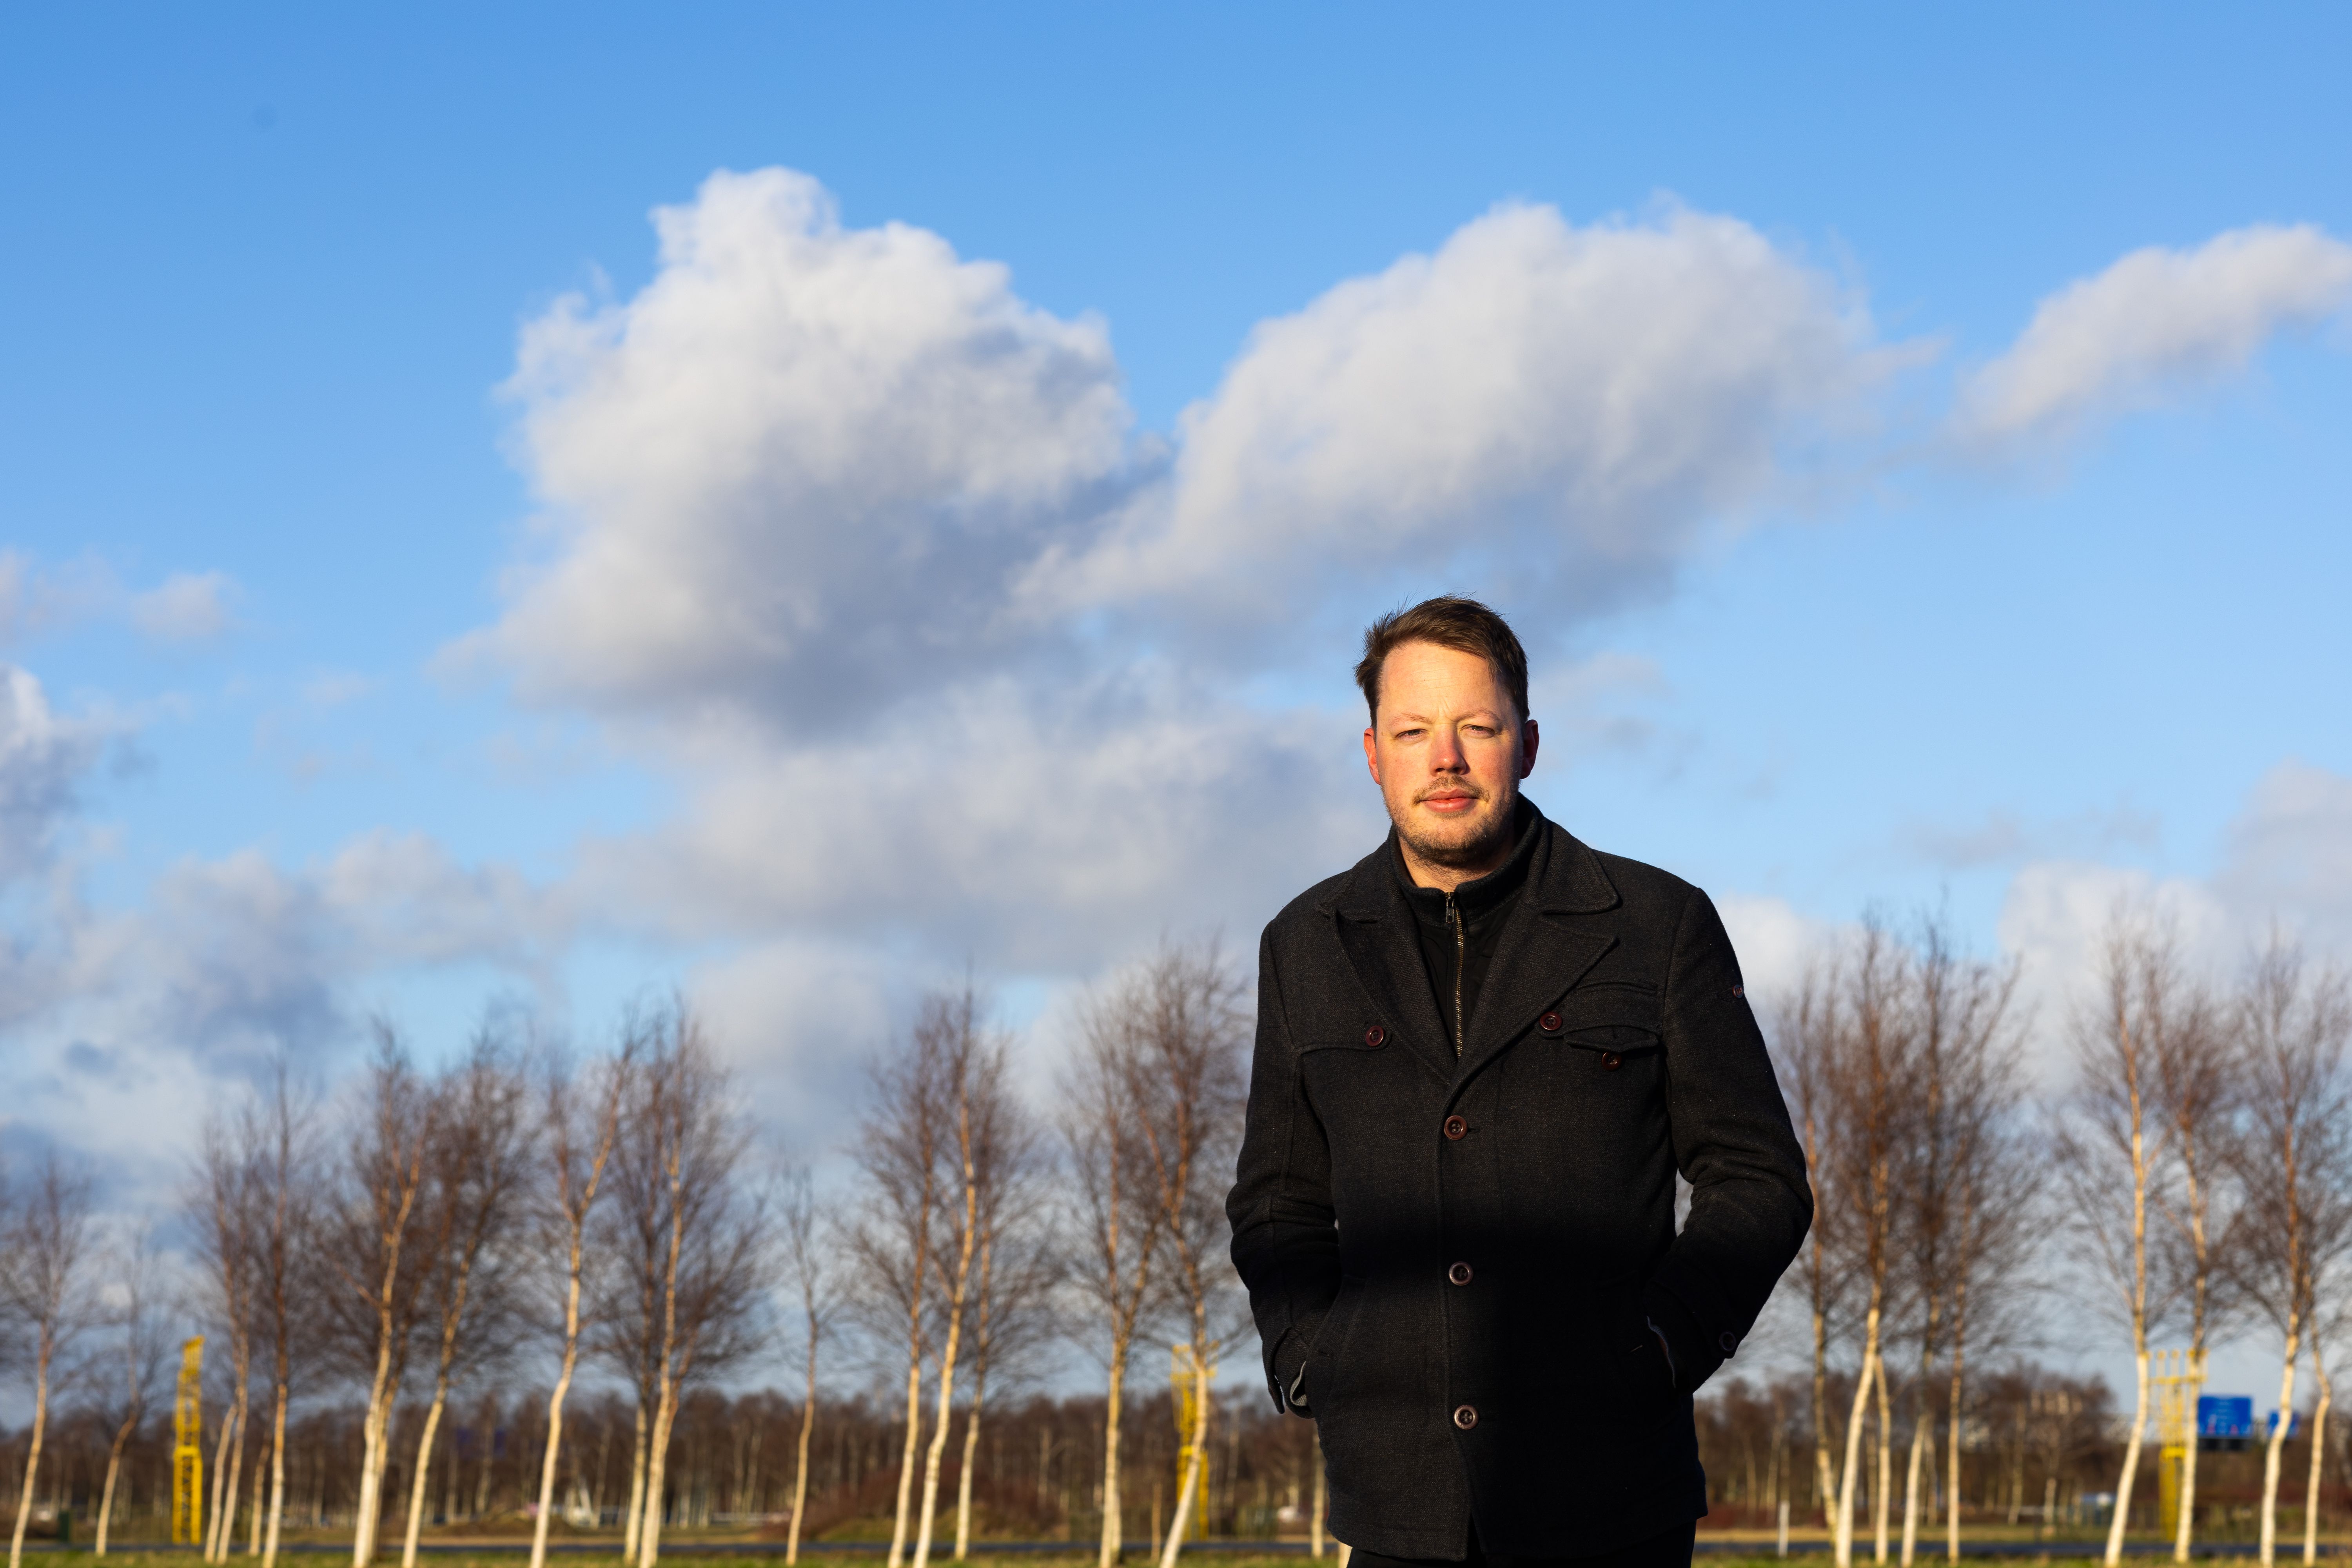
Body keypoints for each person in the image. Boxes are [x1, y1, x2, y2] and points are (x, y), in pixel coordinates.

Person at [1226, 596, 1811, 1568]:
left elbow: (1758, 1178)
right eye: (1414, 730)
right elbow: (1278, 1200)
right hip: (1393, 1505)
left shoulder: (1656, 924)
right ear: (1374, 752)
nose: (1445, 757)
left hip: (1612, 1495)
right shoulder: (1304, 944)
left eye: (1477, 727)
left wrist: (1663, 1344)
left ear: (1528, 743)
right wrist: (1308, 1360)